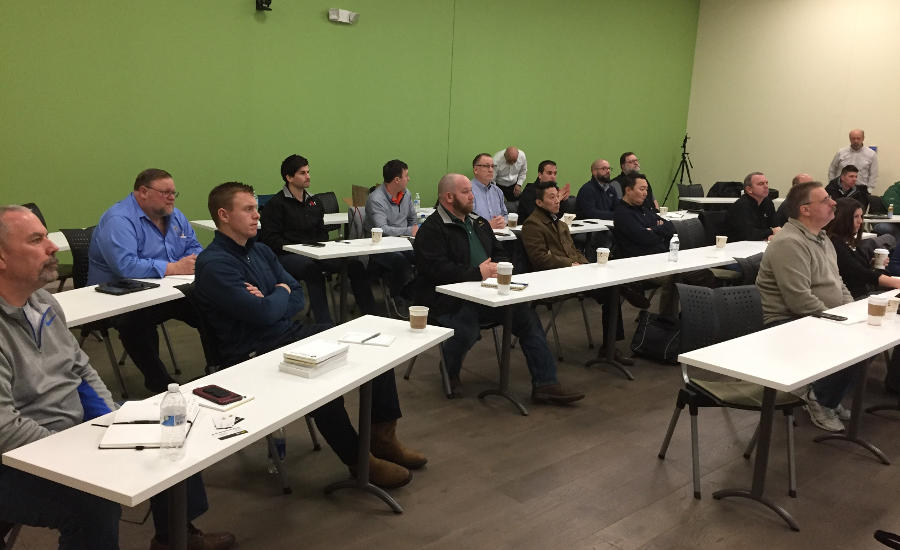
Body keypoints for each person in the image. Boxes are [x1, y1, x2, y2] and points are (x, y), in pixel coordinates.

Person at [0, 205, 234, 550]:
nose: (52, 247)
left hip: (68, 430)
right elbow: (5, 430)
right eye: (36, 240)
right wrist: (78, 453)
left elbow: (80, 368)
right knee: (92, 505)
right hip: (16, 456)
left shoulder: (44, 302)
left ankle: (175, 537)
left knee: (171, 429)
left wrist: (110, 419)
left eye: (47, 236)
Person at [194, 182, 424, 488]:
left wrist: (273, 295)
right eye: (248, 209)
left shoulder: (261, 250)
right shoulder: (214, 264)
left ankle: (383, 439)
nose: (257, 215)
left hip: (289, 334)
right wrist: (279, 292)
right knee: (320, 378)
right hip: (252, 353)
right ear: (223, 215)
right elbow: (264, 313)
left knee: (375, 353)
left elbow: (296, 297)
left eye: (256, 209)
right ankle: (358, 461)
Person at [412, 173, 585, 404]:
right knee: (466, 327)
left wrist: (499, 267)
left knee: (527, 318)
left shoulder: (479, 223)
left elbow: (500, 252)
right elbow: (435, 269)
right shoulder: (432, 229)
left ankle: (546, 384)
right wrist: (477, 273)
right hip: (448, 299)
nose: (472, 196)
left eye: (471, 191)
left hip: (490, 293)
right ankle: (449, 371)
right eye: (466, 192)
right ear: (449, 197)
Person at [87, 168, 201, 392]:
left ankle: (220, 364)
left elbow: (194, 247)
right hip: (117, 296)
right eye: (165, 192)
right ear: (143, 192)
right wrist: (173, 268)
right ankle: (160, 384)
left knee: (208, 305)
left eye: (174, 193)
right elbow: (125, 266)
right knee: (135, 321)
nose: (171, 198)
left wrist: (192, 261)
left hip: (164, 290)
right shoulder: (118, 220)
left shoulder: (175, 216)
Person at [756, 181, 856, 431]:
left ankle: (826, 394)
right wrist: (839, 321)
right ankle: (820, 398)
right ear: (805, 210)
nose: (833, 203)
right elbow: (799, 300)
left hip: (819, 316)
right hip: (788, 321)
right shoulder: (789, 242)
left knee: (866, 338)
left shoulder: (822, 238)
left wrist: (852, 313)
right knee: (853, 343)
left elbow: (838, 282)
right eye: (825, 200)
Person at [258, 154, 379, 323]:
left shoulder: (314, 201)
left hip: (316, 251)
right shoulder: (276, 205)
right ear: (289, 177)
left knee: (355, 265)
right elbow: (270, 239)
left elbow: (322, 232)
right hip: (286, 255)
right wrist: (298, 247)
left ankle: (372, 317)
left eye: (308, 172)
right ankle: (325, 325)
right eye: (302, 173)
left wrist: (319, 246)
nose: (308, 176)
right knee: (312, 270)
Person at [520, 182, 630, 364]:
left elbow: (574, 251)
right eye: (551, 197)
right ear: (539, 202)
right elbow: (540, 259)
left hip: (574, 274)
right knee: (613, 291)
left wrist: (586, 265)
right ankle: (611, 344)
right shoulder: (532, 225)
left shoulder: (560, 223)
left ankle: (610, 347)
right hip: (552, 278)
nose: (557, 201)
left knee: (612, 289)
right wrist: (571, 265)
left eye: (557, 196)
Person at [612, 173, 712, 317]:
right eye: (641, 189)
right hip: (641, 263)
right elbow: (644, 237)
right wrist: (656, 230)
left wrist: (653, 229)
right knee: (675, 277)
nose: (646, 193)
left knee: (703, 273)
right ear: (628, 190)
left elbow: (670, 227)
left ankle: (697, 316)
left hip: (662, 258)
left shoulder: (644, 208)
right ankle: (667, 320)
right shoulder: (622, 213)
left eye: (646, 189)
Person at [363, 159, 418, 313]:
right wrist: (409, 231)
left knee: (426, 257)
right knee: (401, 263)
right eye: (406, 176)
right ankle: (397, 295)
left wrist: (412, 233)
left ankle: (410, 292)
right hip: (381, 247)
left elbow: (412, 219)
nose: (409, 179)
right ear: (397, 180)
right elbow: (382, 229)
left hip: (404, 243)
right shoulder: (376, 199)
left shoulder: (406, 194)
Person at [725, 171, 781, 242]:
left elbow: (775, 226)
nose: (766, 186)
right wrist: (771, 231)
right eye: (761, 184)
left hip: (756, 243)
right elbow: (749, 234)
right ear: (749, 189)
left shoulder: (767, 202)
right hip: (735, 244)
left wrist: (771, 235)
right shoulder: (741, 205)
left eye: (766, 183)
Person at [471, 153, 508, 229]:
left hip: (500, 233)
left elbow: (505, 214)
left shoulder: (498, 191)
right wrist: (486, 225)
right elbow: (465, 220)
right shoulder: (467, 191)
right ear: (475, 170)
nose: (491, 170)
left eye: (492, 166)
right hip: (478, 234)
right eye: (486, 166)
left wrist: (503, 221)